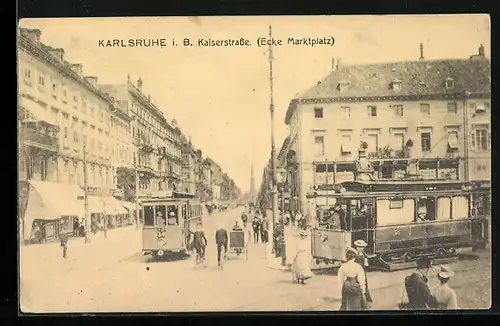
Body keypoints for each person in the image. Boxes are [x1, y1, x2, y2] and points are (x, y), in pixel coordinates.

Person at [353, 239, 373, 309]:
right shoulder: (354, 255)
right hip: (355, 272)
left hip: (362, 272)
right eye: (359, 247)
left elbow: (366, 265)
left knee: (364, 286)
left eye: (361, 247)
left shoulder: (364, 255)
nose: (360, 249)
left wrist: (366, 263)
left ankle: (367, 301)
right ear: (356, 247)